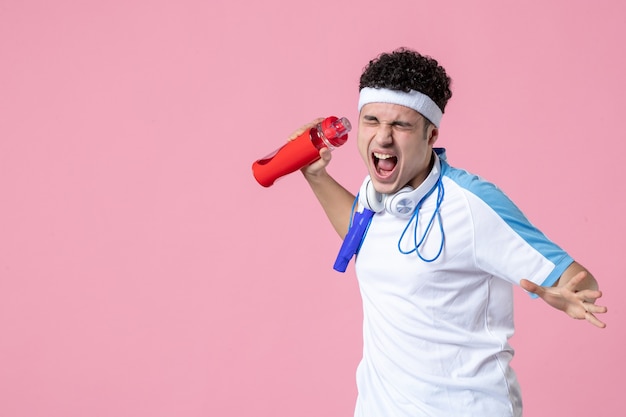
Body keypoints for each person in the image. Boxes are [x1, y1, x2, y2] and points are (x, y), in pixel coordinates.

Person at [287, 47, 607, 417]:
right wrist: (316, 175)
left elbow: (580, 283)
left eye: (401, 125)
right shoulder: (377, 195)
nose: (383, 138)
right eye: (372, 121)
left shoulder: (471, 204)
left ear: (430, 133)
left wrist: (563, 293)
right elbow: (369, 238)